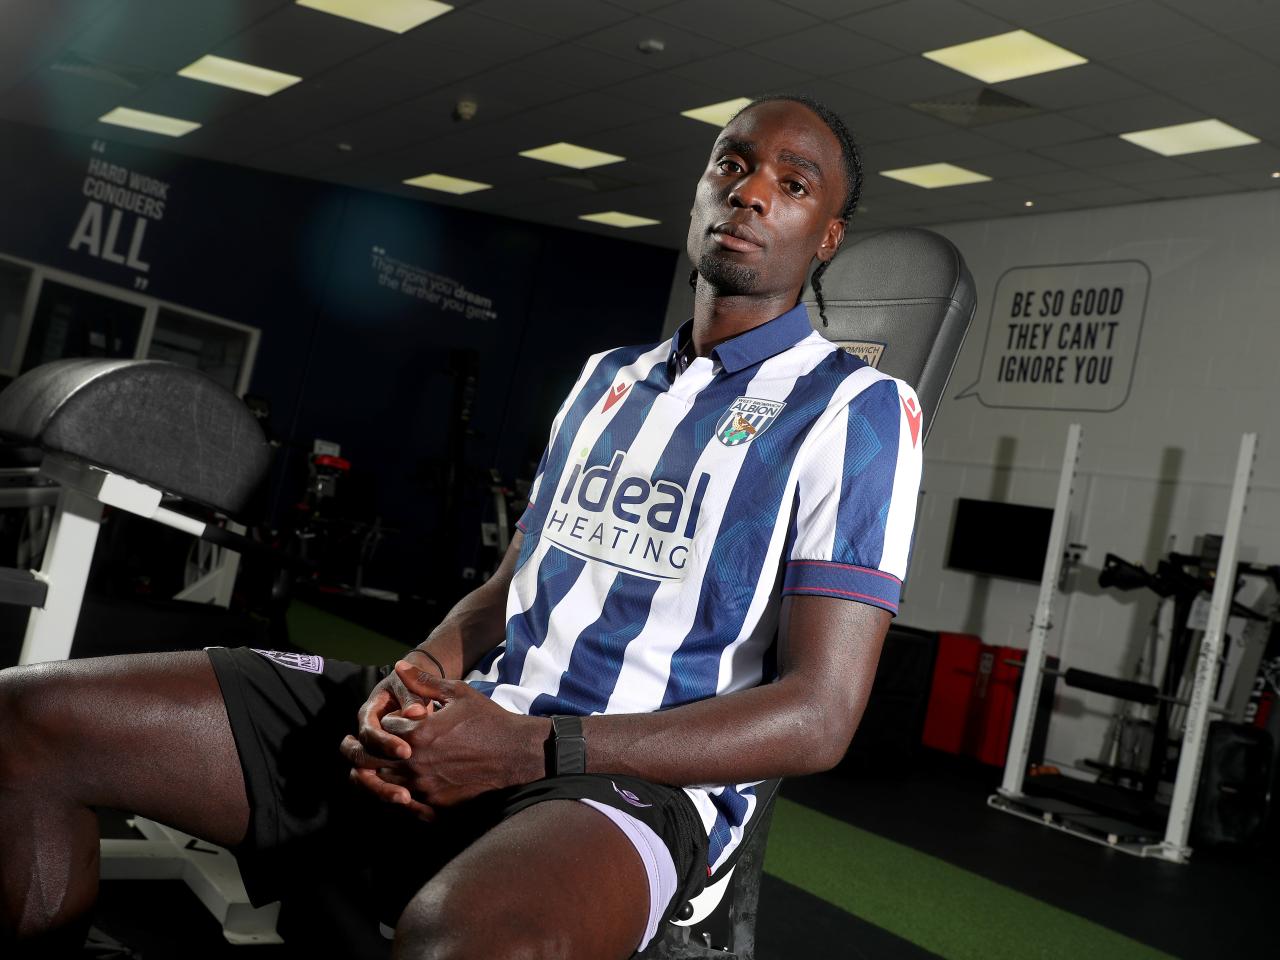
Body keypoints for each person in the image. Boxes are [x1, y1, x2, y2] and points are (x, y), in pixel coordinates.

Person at [0, 95, 923, 960]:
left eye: (793, 184)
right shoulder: (608, 377)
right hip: (484, 711)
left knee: (460, 944)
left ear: (827, 236)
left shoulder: (859, 410)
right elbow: (513, 580)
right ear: (700, 190)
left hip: (630, 785)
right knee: (31, 716)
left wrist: (532, 748)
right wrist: (420, 676)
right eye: (733, 163)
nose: (752, 190)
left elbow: (819, 717)